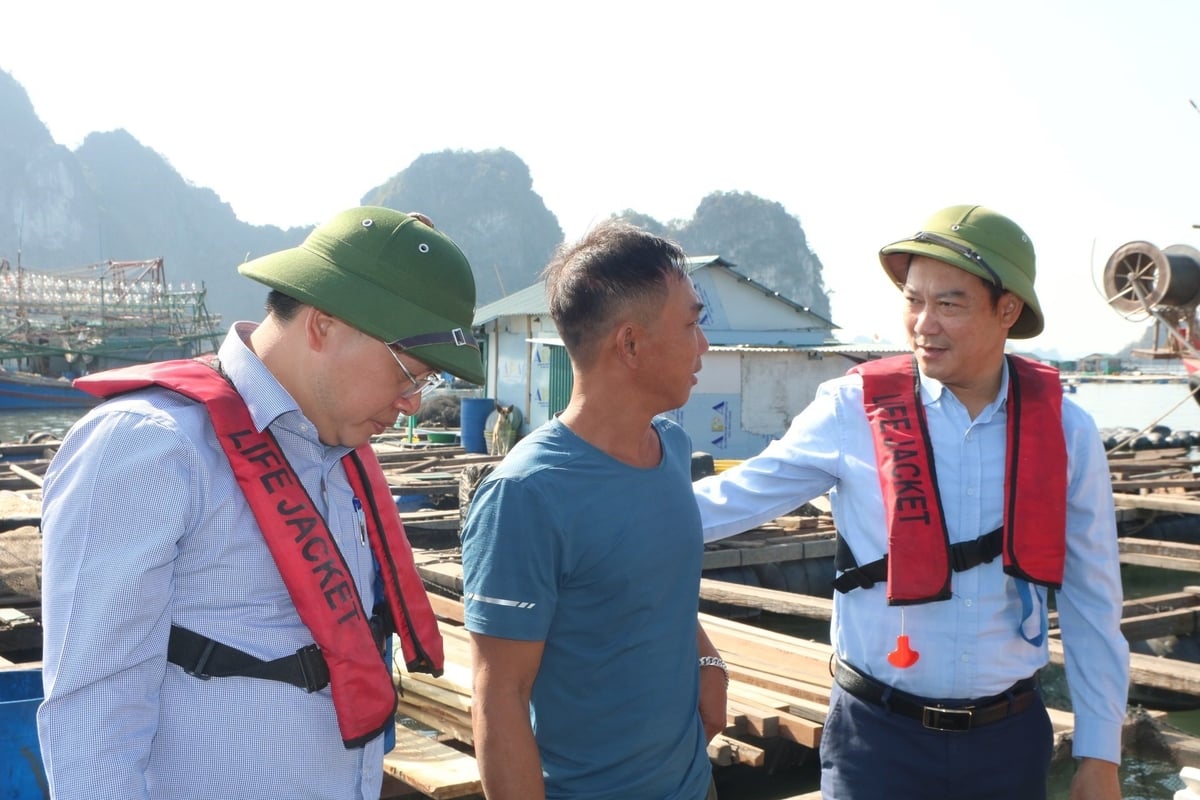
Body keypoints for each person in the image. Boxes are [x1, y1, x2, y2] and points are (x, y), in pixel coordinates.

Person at [37, 206, 485, 800]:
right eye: (409, 372)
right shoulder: (151, 445)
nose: (412, 403)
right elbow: (91, 730)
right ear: (323, 324)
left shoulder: (338, 449)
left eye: (425, 384)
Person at [693, 205, 1130, 800]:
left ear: (1008, 311)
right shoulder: (850, 410)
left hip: (1009, 743)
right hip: (876, 740)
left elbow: (1093, 600)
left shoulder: (1067, 431)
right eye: (912, 299)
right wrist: (590, 513)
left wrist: (1099, 755)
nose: (924, 323)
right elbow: (730, 501)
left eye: (948, 303)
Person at [461, 220, 727, 800]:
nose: (703, 344)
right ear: (629, 344)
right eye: (691, 324)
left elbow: (659, 589)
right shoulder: (527, 495)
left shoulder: (672, 450)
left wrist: (709, 664)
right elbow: (498, 697)